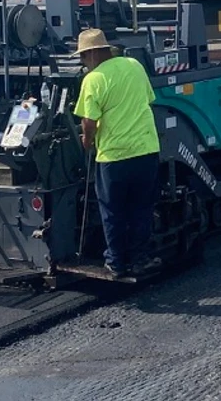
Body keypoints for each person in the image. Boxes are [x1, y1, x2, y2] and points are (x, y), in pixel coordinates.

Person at [72, 29, 162, 278]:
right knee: (141, 208)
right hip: (146, 150)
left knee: (113, 210)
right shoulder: (134, 65)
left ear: (91, 54)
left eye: (82, 57)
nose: (82, 63)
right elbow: (148, 99)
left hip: (114, 156)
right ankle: (140, 258)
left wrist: (87, 142)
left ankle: (116, 262)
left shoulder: (93, 80)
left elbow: (89, 121)